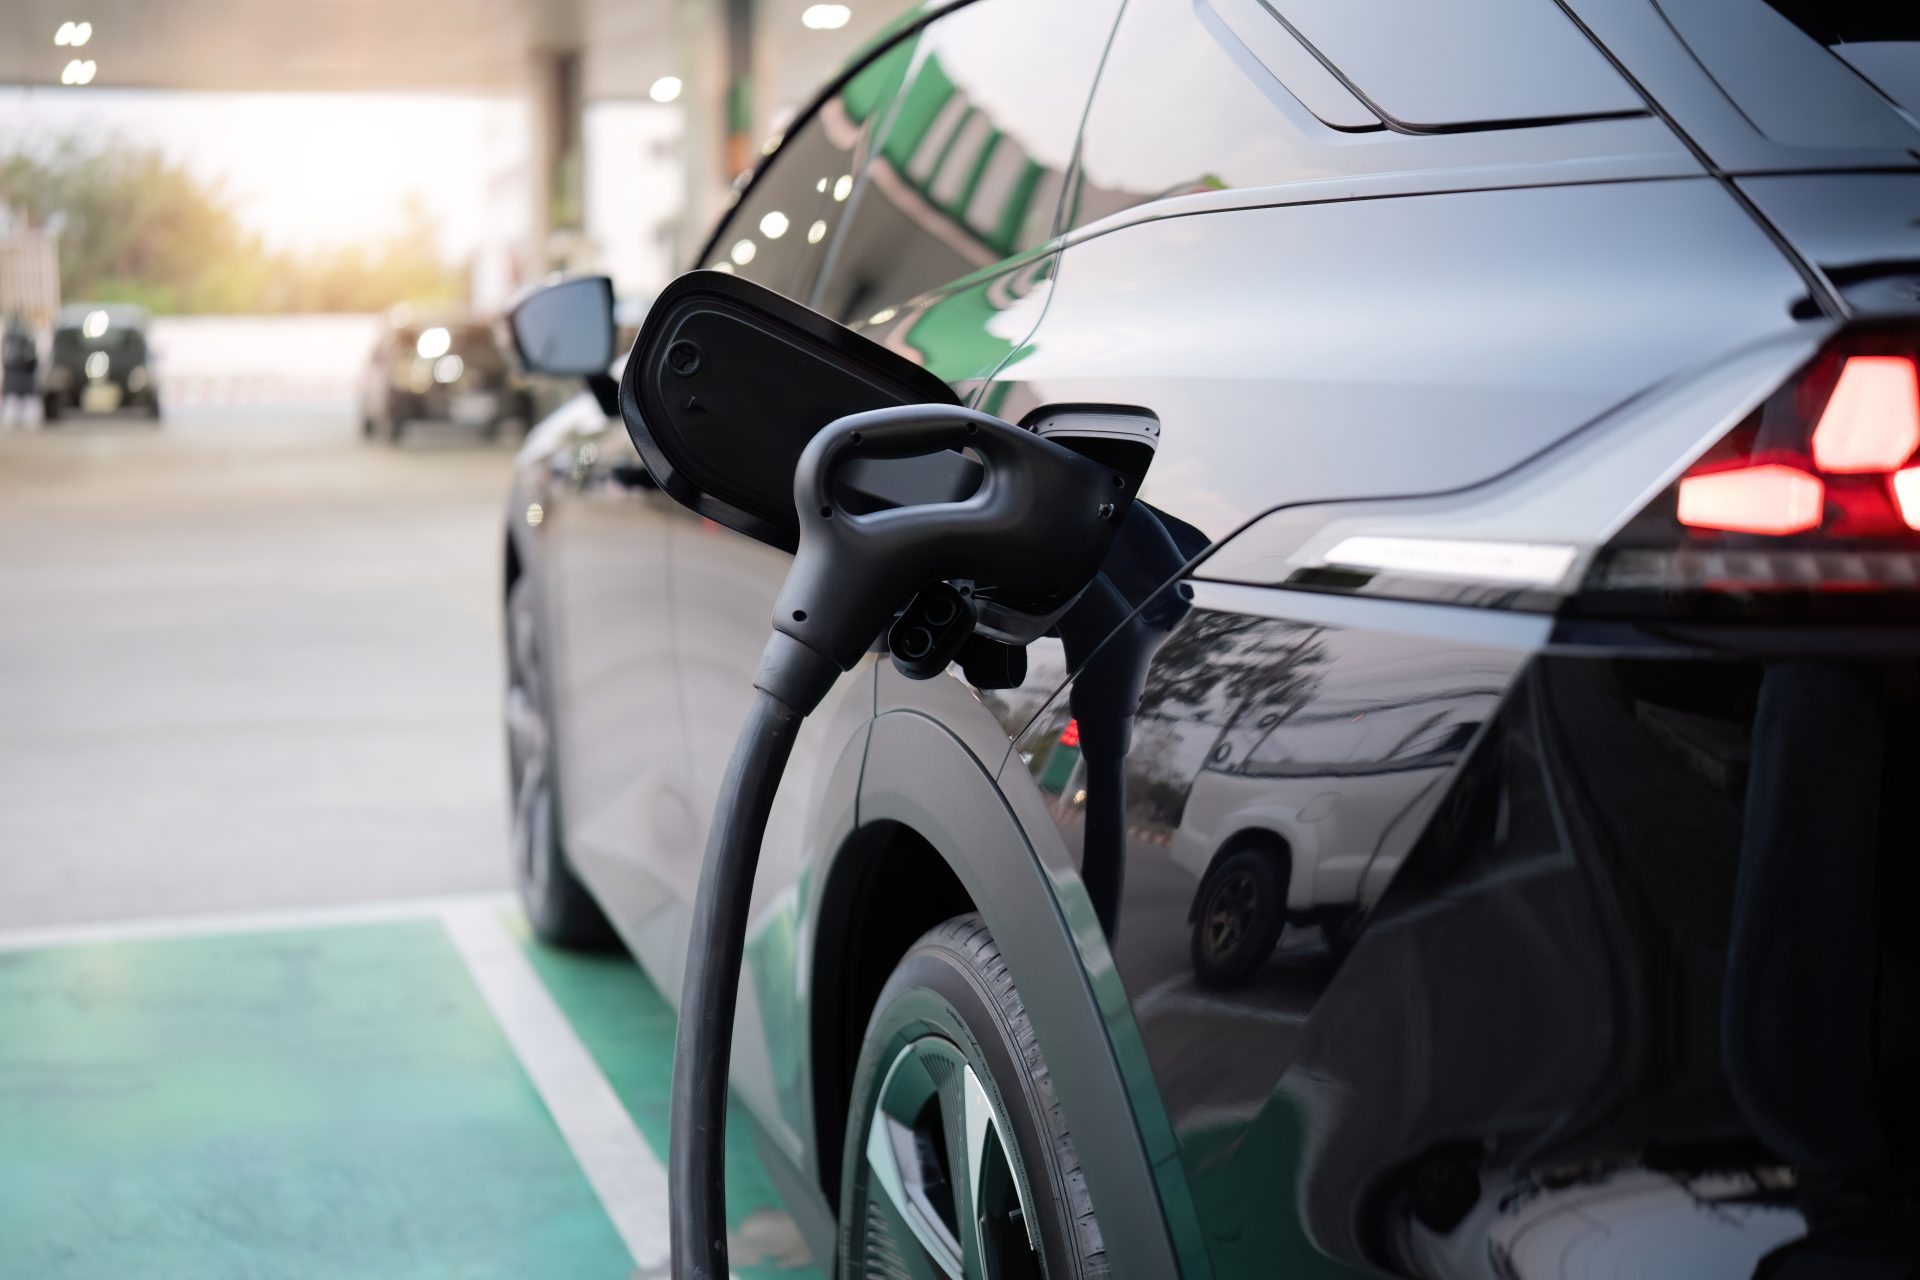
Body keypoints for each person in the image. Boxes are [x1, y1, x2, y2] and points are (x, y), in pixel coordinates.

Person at [2, 317, 39, 429]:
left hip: (15, 369)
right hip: (20, 370)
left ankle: (16, 418)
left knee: (15, 398)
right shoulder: (24, 337)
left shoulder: (10, 338)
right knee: (17, 398)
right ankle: (18, 418)